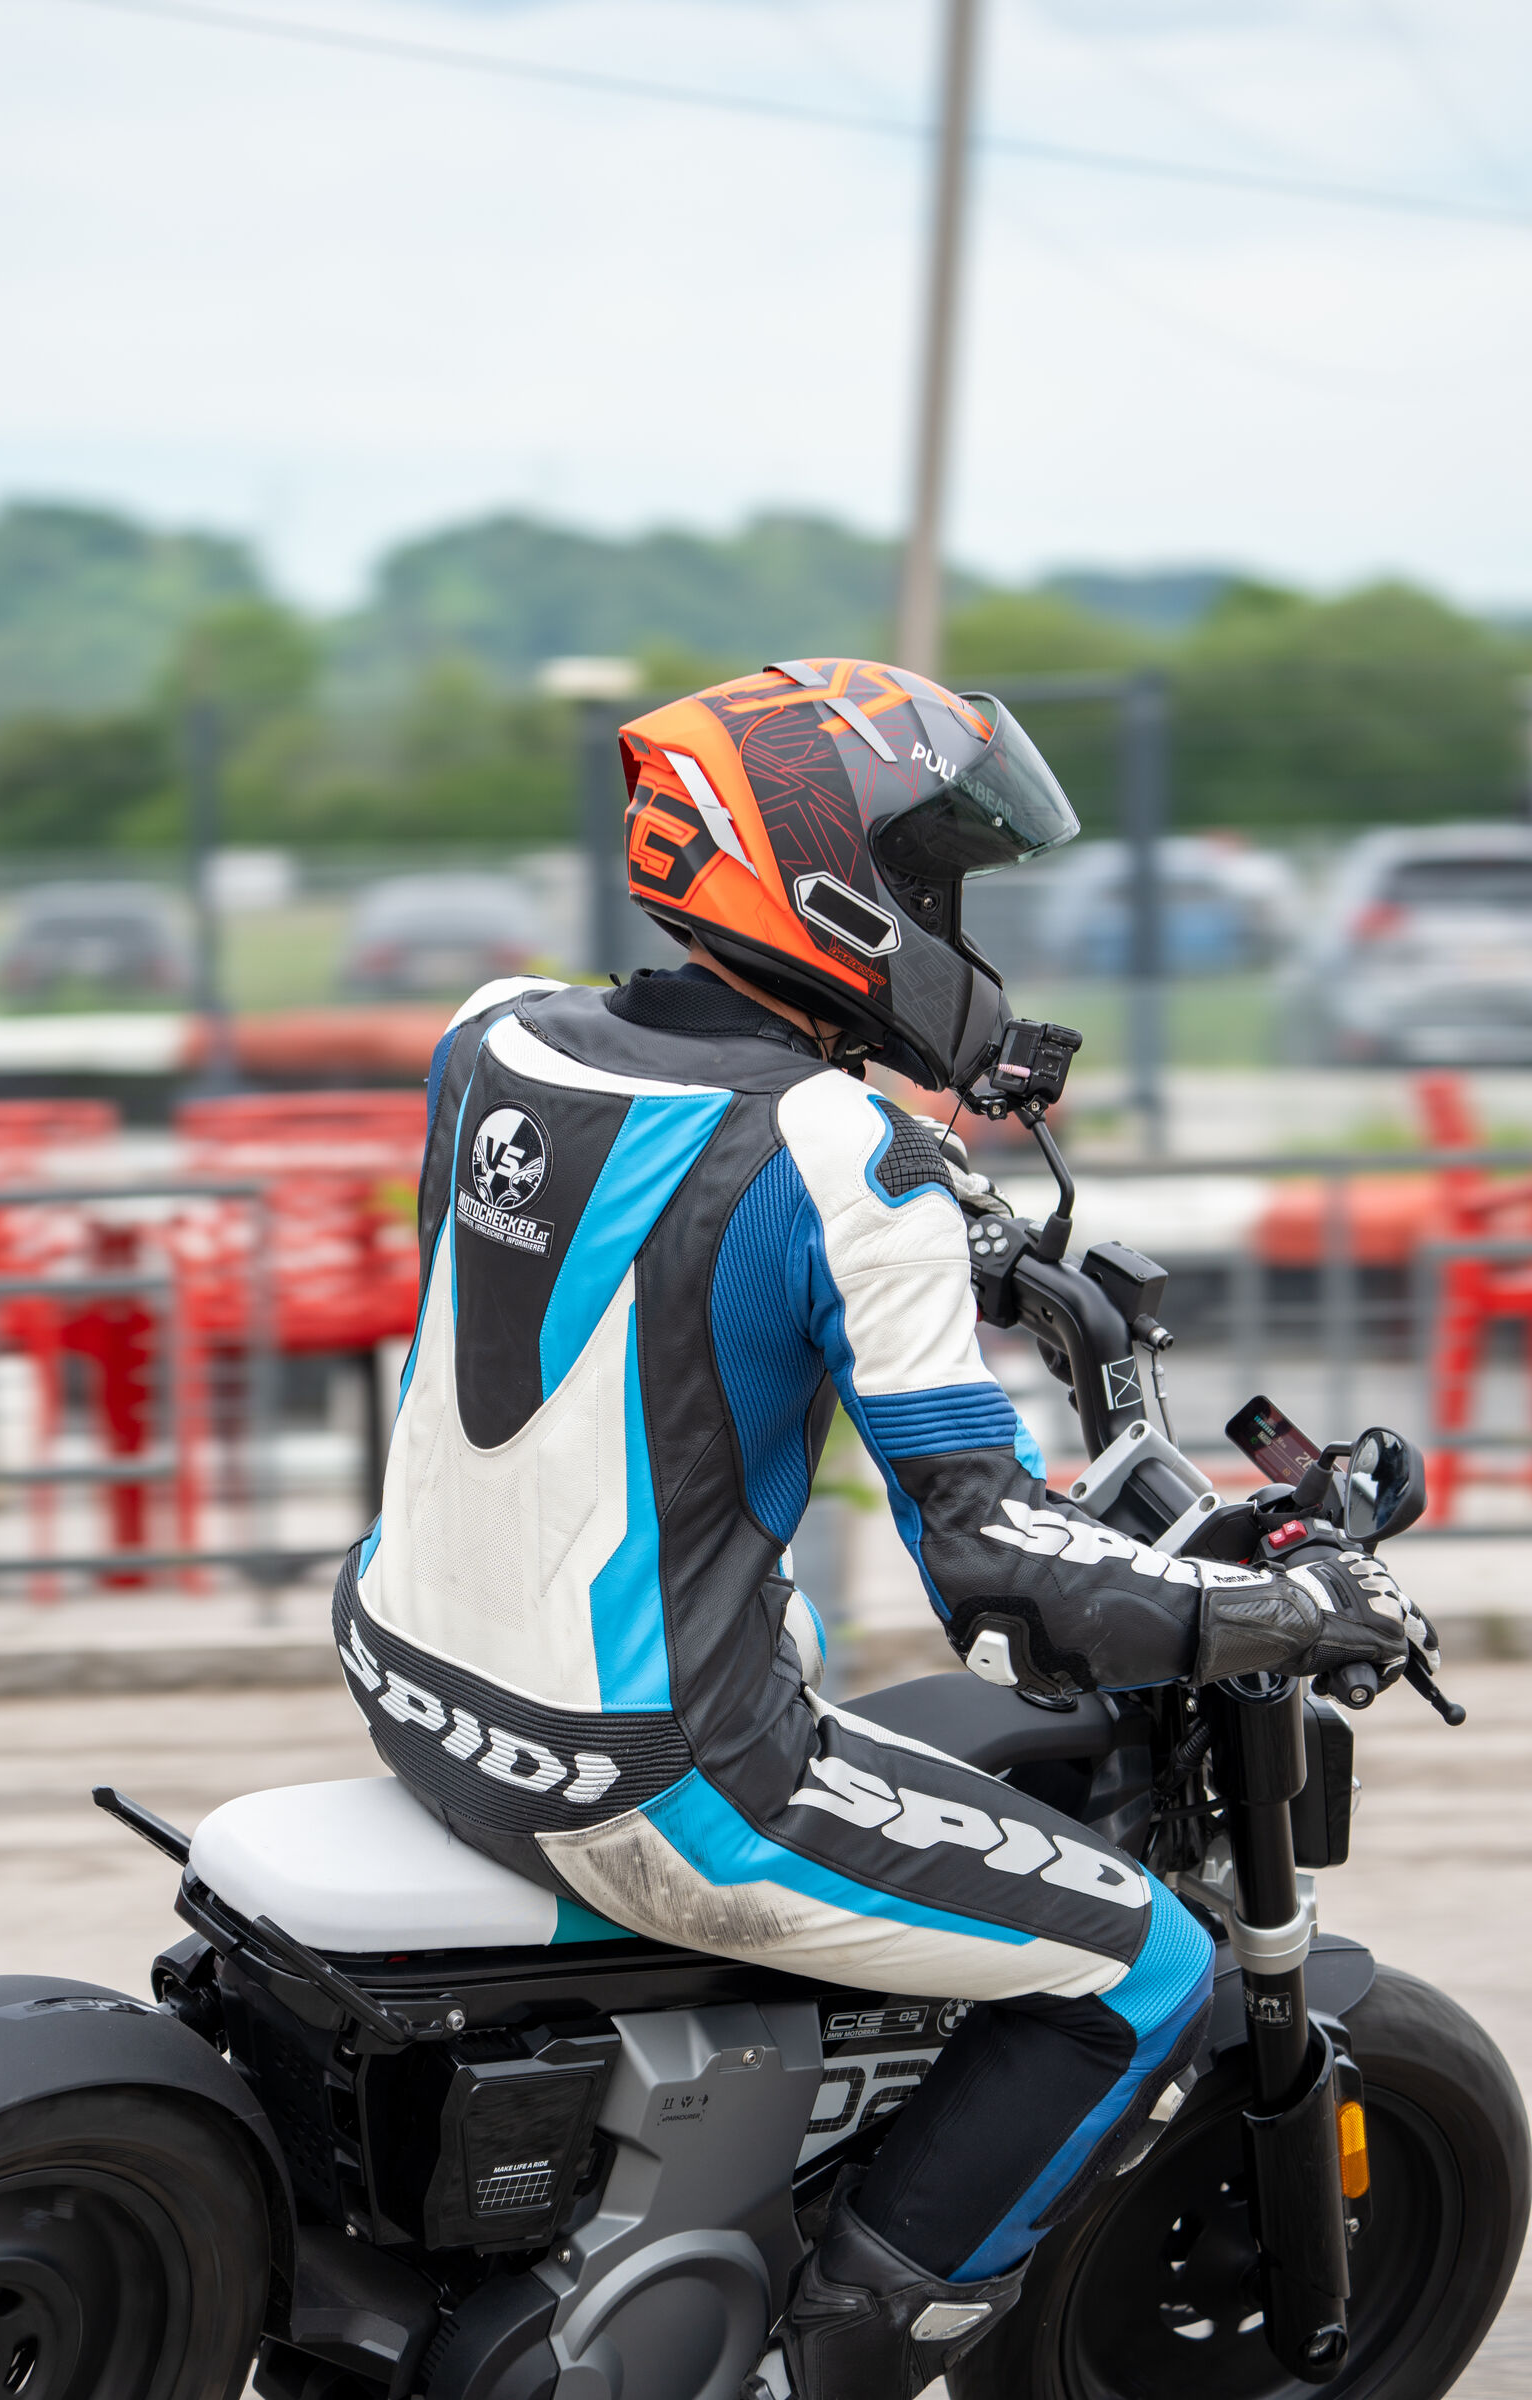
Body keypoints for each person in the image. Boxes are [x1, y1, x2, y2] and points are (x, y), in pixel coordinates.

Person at [336, 659, 1423, 2400]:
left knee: (791, 1630)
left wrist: (958, 1244)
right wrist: (1287, 1613)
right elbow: (1000, 1578)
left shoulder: (498, 1033)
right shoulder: (854, 1158)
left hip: (409, 1675)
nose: (955, 931)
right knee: (1144, 1960)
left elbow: (655, 1218)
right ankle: (834, 2358)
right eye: (933, 882)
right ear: (830, 883)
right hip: (641, 1777)